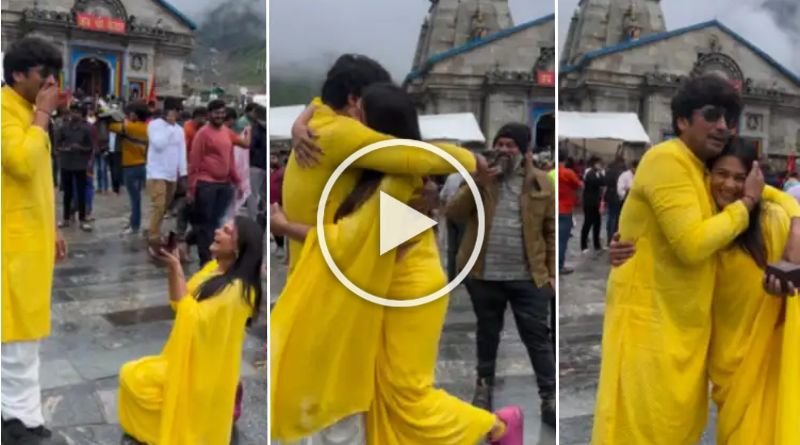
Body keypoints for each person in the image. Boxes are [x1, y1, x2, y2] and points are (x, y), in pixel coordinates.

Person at [271, 81, 522, 445]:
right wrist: (303, 119)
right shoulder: (379, 167)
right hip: (391, 283)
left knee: (406, 396)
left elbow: (346, 240)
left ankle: (498, 427)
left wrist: (282, 227)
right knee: (379, 392)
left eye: (359, 116)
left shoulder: (396, 178)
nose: (351, 122)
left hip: (412, 290)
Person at [591, 74, 800, 444]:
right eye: (712, 114)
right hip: (649, 329)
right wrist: (747, 204)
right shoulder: (666, 160)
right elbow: (691, 244)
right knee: (644, 431)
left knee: (677, 429)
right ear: (682, 121)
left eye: (728, 118)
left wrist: (794, 224)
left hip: (687, 330)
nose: (722, 125)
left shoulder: (702, 167)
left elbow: (771, 192)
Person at [446, 123, 556, 427]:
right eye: (500, 144)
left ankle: (549, 397)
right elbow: (453, 213)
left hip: (527, 276)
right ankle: (484, 387)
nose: (504, 150)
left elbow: (550, 229)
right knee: (487, 332)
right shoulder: (482, 180)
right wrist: (478, 181)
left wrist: (551, 274)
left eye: (511, 145)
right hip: (484, 274)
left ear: (523, 151)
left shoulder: (542, 182)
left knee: (537, 337)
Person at [118, 216, 263, 444]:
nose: (217, 231)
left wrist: (176, 268)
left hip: (204, 371)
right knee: (133, 374)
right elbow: (181, 303)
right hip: (187, 359)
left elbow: (193, 321)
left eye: (226, 231)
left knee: (137, 381)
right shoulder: (214, 268)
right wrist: (172, 267)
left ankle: (156, 434)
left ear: (238, 247)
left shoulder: (237, 291)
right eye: (221, 226)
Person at [1, 36, 68, 444]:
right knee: (19, 341)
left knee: (23, 337)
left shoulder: (26, 110)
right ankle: (21, 424)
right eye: (44, 75)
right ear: (18, 74)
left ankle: (17, 415)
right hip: (13, 246)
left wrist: (54, 226)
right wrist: (43, 115)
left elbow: (39, 181)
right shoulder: (7, 112)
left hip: (31, 238)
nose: (51, 84)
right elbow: (23, 163)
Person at [188, 99, 243, 266]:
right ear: (209, 114)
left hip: (224, 184)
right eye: (216, 113)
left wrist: (238, 181)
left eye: (222, 113)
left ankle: (212, 253)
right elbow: (194, 162)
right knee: (206, 224)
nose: (220, 116)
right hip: (207, 184)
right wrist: (191, 189)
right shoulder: (202, 134)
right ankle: (205, 260)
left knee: (217, 222)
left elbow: (230, 159)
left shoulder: (227, 132)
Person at [145, 103, 187, 256]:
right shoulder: (154, 125)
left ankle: (156, 230)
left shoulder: (180, 130)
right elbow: (158, 145)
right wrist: (169, 127)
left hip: (171, 174)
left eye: (177, 112)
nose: (174, 115)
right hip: (156, 173)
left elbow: (182, 152)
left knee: (165, 207)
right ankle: (153, 237)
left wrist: (183, 174)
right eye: (172, 112)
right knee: (158, 204)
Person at [110, 103, 150, 235]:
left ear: (136, 115)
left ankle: (134, 225)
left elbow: (112, 126)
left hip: (130, 167)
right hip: (143, 165)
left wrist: (120, 118)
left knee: (135, 199)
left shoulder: (129, 127)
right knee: (137, 197)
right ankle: (134, 221)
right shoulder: (147, 128)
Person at [56, 103, 95, 231]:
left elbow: (91, 147)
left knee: (81, 192)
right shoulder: (63, 127)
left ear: (81, 114)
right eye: (72, 112)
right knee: (67, 193)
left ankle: (83, 219)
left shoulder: (87, 128)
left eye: (77, 112)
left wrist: (81, 148)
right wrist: (65, 149)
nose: (74, 114)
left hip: (80, 164)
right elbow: (57, 145)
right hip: (66, 163)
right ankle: (66, 218)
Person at [558, 150, 583, 274]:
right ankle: (559, 265)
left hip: (552, 208)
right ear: (565, 160)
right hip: (565, 209)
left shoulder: (550, 172)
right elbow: (579, 185)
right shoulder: (567, 173)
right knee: (562, 239)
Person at [439, 172, 465, 281]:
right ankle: (462, 276)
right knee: (463, 246)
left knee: (451, 247)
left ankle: (451, 276)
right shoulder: (471, 178)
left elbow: (442, 196)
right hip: (464, 215)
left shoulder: (451, 177)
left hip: (450, 215)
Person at [245, 104, 268, 223]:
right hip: (264, 165)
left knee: (252, 193)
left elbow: (251, 145)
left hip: (254, 164)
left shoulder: (255, 128)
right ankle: (265, 215)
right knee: (264, 193)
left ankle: (252, 220)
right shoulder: (267, 127)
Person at [580, 156, 605, 252]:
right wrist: (600, 173)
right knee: (587, 223)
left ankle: (597, 244)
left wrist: (601, 173)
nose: (599, 166)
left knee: (597, 223)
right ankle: (583, 245)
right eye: (598, 163)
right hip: (589, 202)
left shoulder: (598, 173)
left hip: (596, 202)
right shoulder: (589, 173)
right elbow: (595, 182)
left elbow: (603, 181)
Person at [604, 156, 625, 246]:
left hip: (609, 195)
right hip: (616, 196)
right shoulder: (620, 173)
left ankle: (609, 238)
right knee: (615, 218)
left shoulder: (609, 171)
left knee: (610, 217)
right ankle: (613, 237)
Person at [269, 153, 286, 253]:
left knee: (280, 224)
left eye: (274, 158)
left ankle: (281, 247)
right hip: (272, 202)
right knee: (275, 224)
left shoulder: (283, 171)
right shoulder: (273, 172)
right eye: (271, 158)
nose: (272, 160)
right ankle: (279, 246)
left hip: (279, 203)